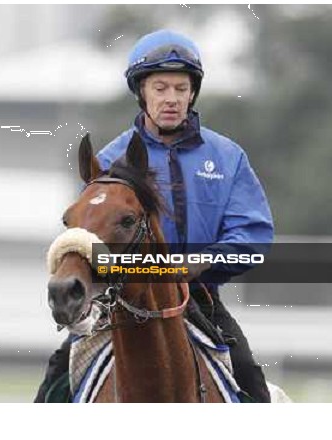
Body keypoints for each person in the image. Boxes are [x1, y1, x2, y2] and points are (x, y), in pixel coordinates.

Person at [35, 29, 274, 403]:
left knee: (252, 381)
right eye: (160, 88)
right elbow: (84, 235)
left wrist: (203, 263)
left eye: (181, 89)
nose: (171, 99)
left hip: (200, 297)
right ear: (141, 92)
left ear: (193, 93)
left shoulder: (227, 157)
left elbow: (253, 235)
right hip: (117, 300)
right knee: (52, 384)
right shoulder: (111, 162)